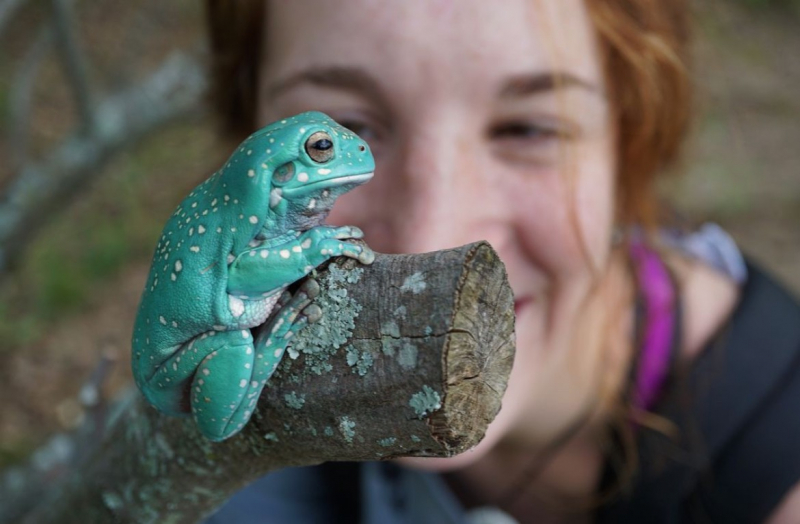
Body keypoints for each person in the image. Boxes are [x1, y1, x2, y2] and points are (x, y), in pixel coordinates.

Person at [202, 1, 800, 522]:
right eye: (345, 127)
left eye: (526, 128)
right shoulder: (224, 404)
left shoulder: (772, 463)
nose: (429, 242)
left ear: (630, 144)